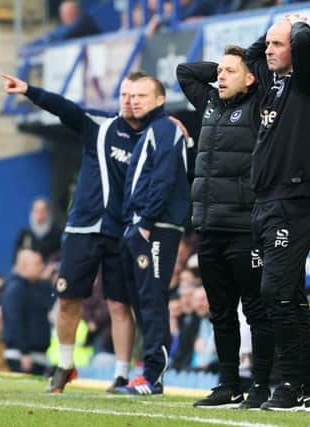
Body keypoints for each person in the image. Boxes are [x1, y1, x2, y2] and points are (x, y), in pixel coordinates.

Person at [2, 71, 147, 393]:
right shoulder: (98, 126)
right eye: (124, 94)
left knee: (119, 305)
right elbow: (63, 108)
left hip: (120, 231)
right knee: (68, 299)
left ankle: (122, 374)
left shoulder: (153, 138)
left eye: (135, 95)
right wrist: (29, 90)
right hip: (82, 228)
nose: (129, 100)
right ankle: (65, 365)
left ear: (148, 100)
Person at [245, 13, 310, 411]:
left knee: (276, 293)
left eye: (277, 44)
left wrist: (298, 27)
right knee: (290, 297)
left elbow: (301, 47)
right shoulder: (272, 84)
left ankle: (289, 384)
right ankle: (306, 390)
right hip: (265, 202)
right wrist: (273, 27)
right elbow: (250, 58)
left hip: (294, 202)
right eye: (269, 44)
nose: (268, 50)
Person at [176, 45, 275, 409]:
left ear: (251, 79)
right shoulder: (211, 104)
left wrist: (249, 58)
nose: (219, 76)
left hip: (245, 227)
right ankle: (229, 384)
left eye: (230, 72)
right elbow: (185, 71)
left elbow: (265, 71)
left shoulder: (260, 106)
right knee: (220, 311)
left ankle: (262, 385)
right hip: (209, 227)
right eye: (218, 71)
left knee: (255, 310)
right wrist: (225, 66)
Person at [118, 76, 190, 395]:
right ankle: (146, 372)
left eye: (143, 95)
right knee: (144, 299)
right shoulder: (152, 130)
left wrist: (145, 222)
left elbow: (163, 178)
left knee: (153, 299)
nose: (135, 100)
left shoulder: (164, 129)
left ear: (161, 100)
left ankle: (152, 377)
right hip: (144, 225)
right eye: (131, 95)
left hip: (156, 227)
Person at [0, 250, 55, 375]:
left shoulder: (36, 286)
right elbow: (15, 322)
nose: (42, 267)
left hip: (37, 354)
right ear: (24, 266)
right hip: (23, 356)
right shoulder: (15, 288)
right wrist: (24, 353)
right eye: (37, 263)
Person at [13, 197, 62, 263]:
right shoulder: (24, 233)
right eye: (36, 210)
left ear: (48, 212)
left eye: (42, 210)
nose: (39, 214)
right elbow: (16, 260)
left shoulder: (57, 233)